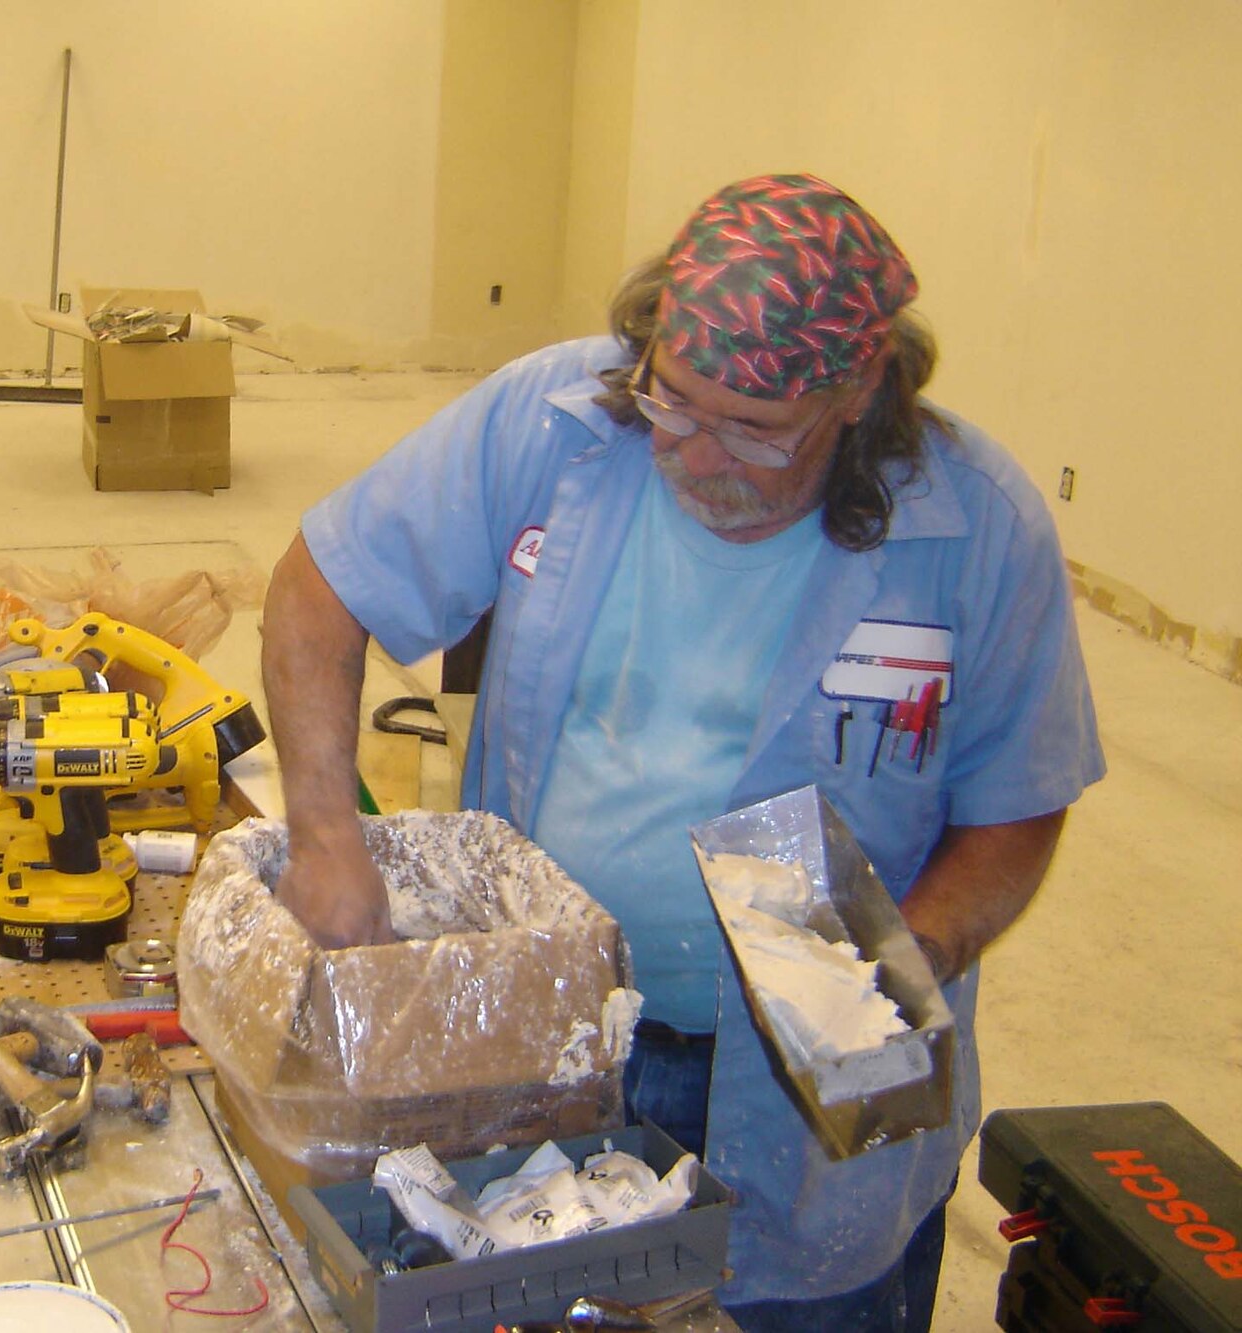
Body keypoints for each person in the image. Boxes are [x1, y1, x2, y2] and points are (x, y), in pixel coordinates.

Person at [260, 174, 1103, 1330]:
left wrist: (894, 966)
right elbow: (319, 589)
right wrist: (324, 838)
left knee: (812, 1299)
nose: (695, 456)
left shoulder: (974, 525)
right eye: (674, 403)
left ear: (858, 389)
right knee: (541, 1282)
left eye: (753, 432)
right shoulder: (550, 419)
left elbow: (1019, 802)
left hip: (816, 1088)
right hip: (554, 1026)